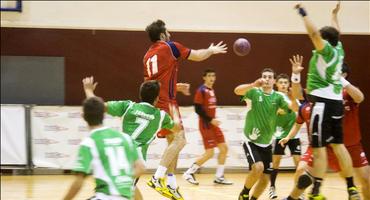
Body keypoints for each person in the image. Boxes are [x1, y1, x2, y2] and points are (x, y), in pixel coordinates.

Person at [143, 19, 227, 200]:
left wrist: (173, 85)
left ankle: (171, 184)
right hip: (167, 103)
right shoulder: (171, 47)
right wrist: (211, 50)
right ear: (162, 35)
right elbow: (197, 55)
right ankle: (157, 177)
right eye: (167, 32)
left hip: (157, 100)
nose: (170, 34)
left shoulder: (147, 56)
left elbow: (151, 81)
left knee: (173, 141)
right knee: (180, 141)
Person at [292, 2, 360, 199]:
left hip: (321, 103)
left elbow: (314, 34)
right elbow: (336, 31)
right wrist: (334, 15)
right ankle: (351, 186)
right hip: (336, 103)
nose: (317, 40)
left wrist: (303, 13)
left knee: (319, 147)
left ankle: (317, 188)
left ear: (325, 41)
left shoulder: (328, 51)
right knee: (339, 145)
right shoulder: (339, 48)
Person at [281, 57, 369, 200]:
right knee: (301, 172)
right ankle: (295, 197)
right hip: (326, 145)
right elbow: (298, 94)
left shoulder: (348, 92)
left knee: (366, 181)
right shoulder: (321, 90)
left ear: (343, 74)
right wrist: (295, 75)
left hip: (351, 147)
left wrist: (341, 81)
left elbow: (360, 97)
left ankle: (343, 187)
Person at [82, 76, 181, 200]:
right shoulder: (161, 116)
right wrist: (175, 114)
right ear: (156, 99)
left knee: (123, 190)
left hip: (119, 155)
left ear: (140, 95)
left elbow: (97, 106)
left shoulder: (128, 106)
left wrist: (88, 90)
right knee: (123, 191)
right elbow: (177, 128)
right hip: (136, 161)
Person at [63, 96, 145, 200]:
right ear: (103, 115)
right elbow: (140, 168)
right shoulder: (125, 138)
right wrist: (123, 180)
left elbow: (78, 183)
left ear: (83, 116)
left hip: (105, 196)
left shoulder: (89, 142)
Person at [234, 68, 297, 200]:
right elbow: (237, 90)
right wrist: (253, 84)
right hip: (250, 139)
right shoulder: (254, 92)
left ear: (274, 81)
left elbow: (295, 108)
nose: (267, 79)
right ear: (261, 78)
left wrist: (293, 94)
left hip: (267, 141)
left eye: (270, 77)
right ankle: (244, 193)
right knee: (258, 167)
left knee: (265, 179)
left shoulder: (278, 97)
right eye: (264, 76)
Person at [183, 69, 232, 185]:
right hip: (206, 125)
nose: (212, 78)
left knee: (224, 148)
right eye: (209, 76)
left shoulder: (211, 90)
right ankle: (189, 172)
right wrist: (211, 120)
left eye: (213, 76)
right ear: (204, 77)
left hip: (213, 124)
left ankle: (219, 176)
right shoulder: (201, 90)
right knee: (209, 153)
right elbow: (197, 109)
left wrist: (213, 121)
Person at [268, 73, 301, 200]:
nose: (283, 84)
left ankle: (299, 190)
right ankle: (272, 187)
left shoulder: (293, 97)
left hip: (293, 135)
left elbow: (297, 109)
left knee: (299, 163)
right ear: (276, 84)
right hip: (279, 135)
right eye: (281, 82)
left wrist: (292, 100)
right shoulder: (274, 97)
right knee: (276, 162)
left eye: (285, 82)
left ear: (289, 85)